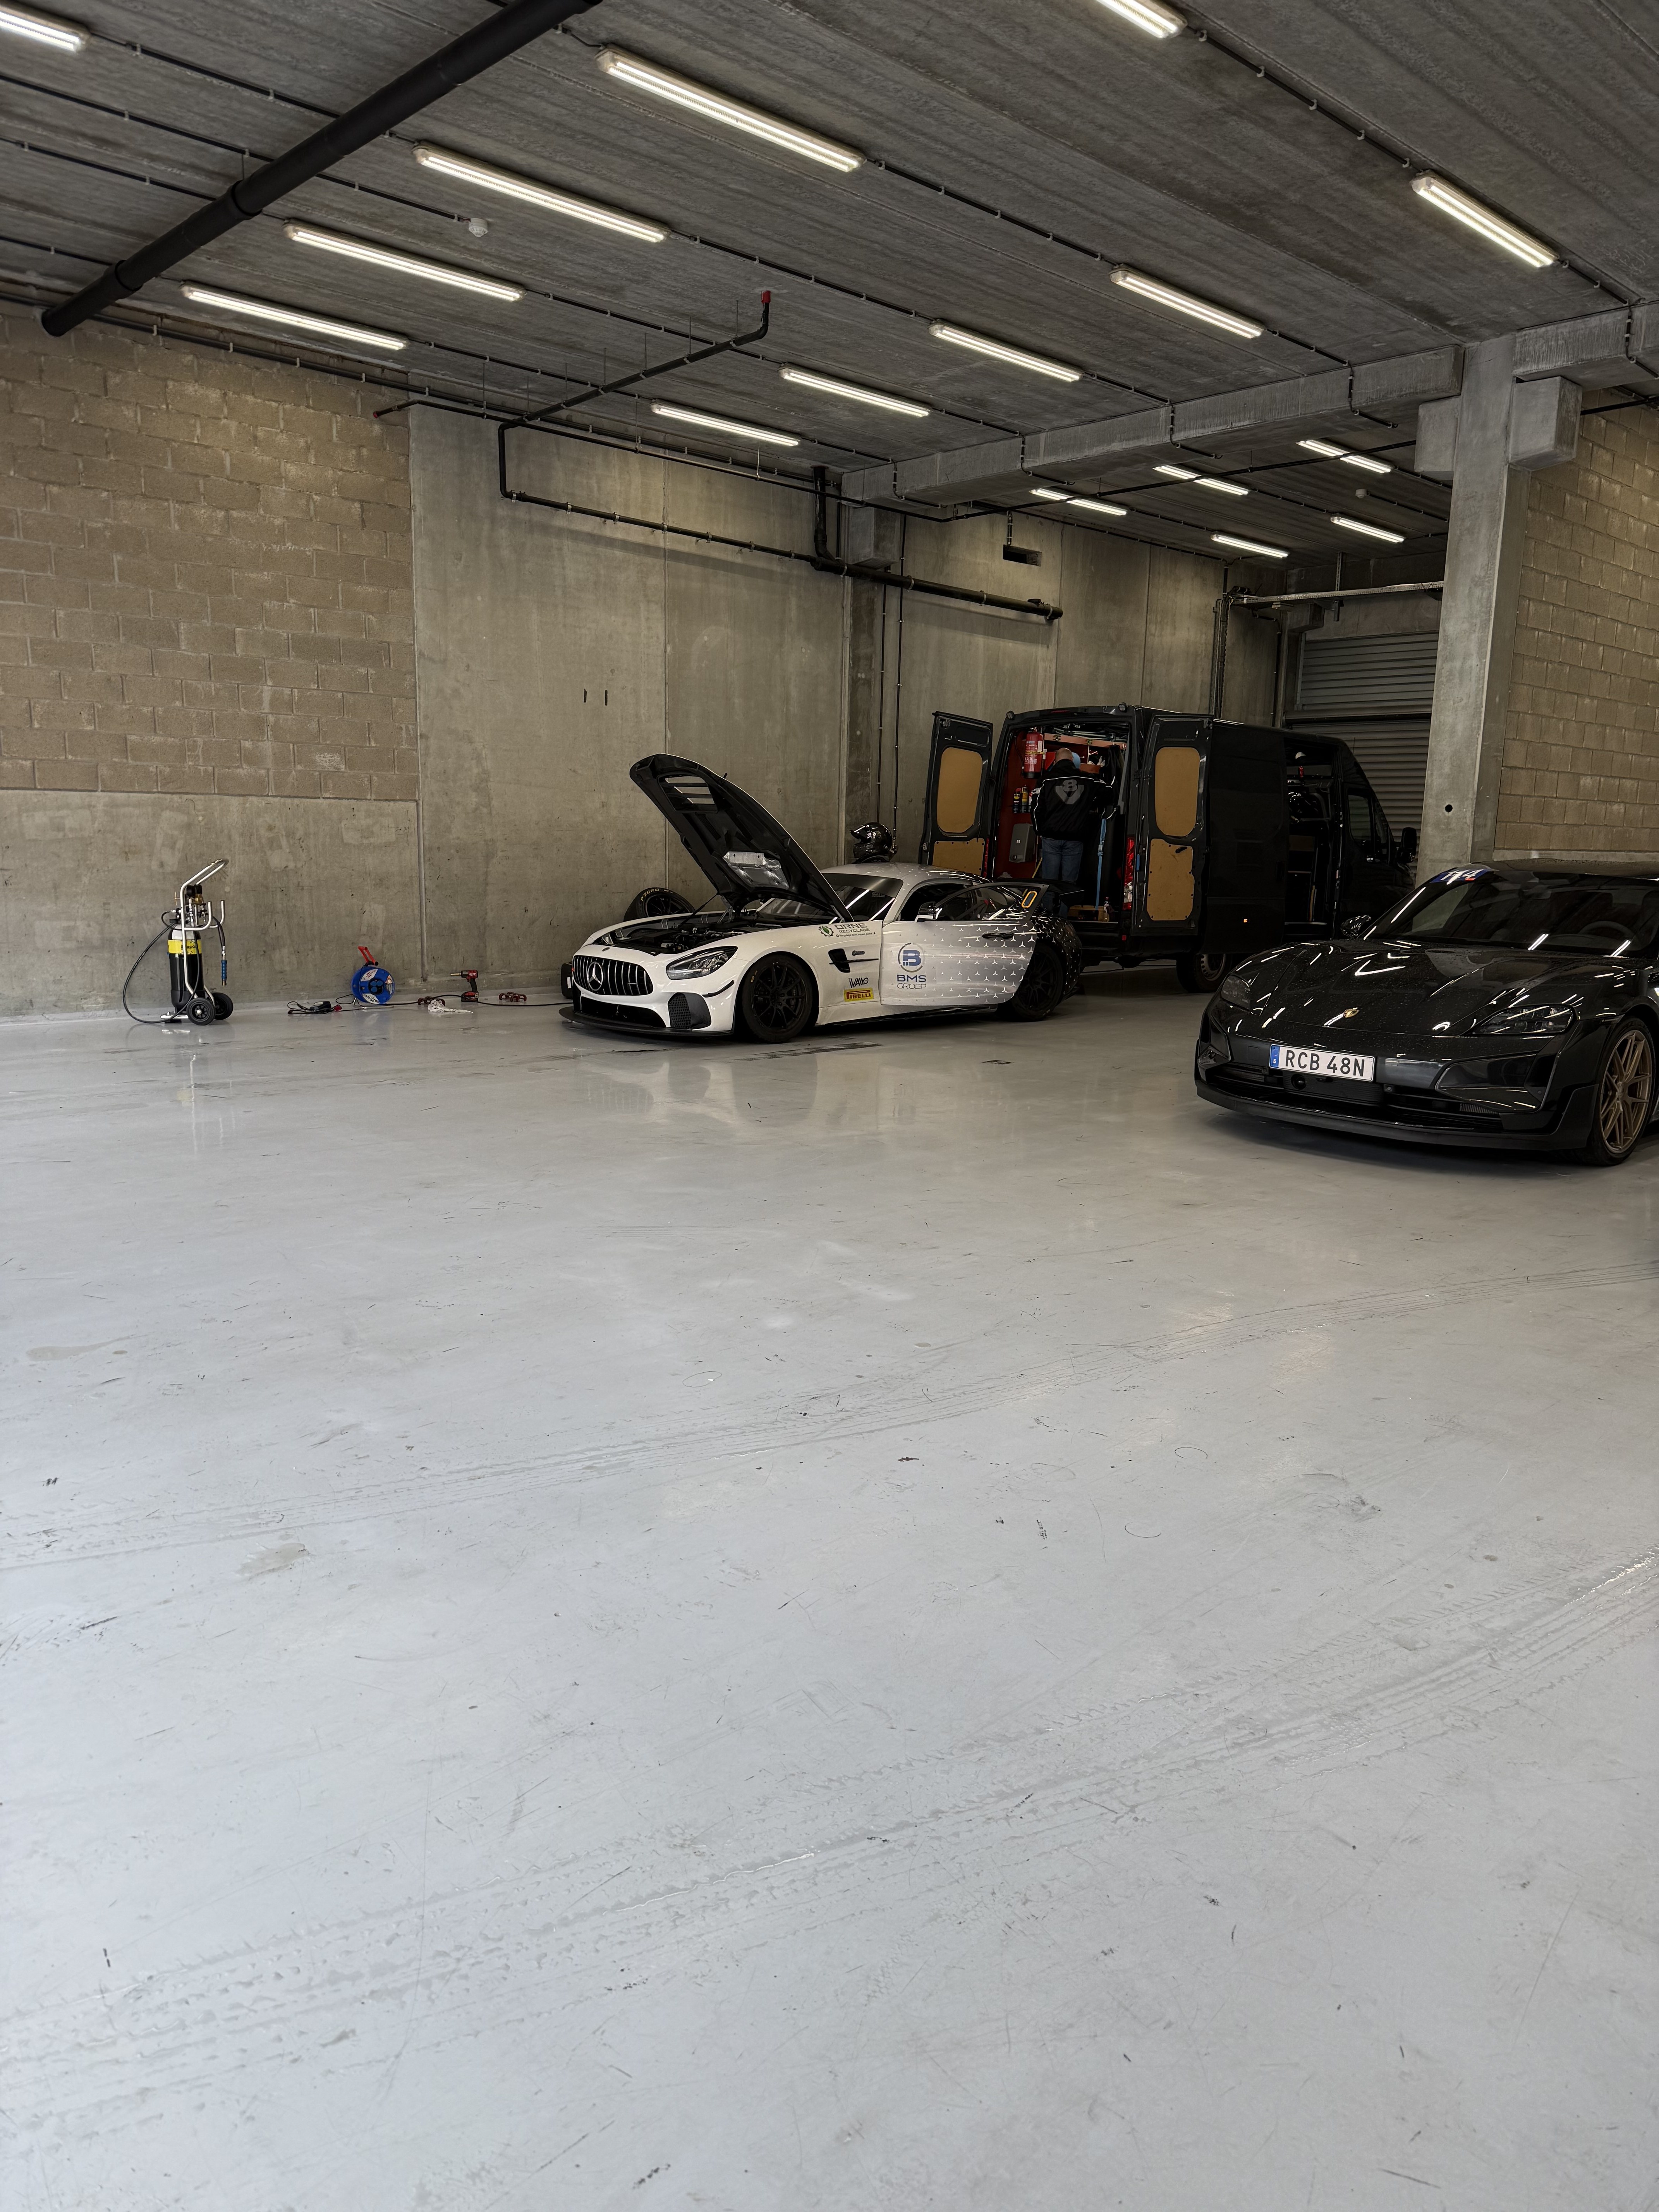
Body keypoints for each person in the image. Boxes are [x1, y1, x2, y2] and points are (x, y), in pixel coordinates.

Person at [1034, 750, 1111, 887]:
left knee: (1048, 883)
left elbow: (1036, 808)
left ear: (1055, 762)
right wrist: (1091, 803)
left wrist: (1039, 831)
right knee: (1069, 884)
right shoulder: (1088, 779)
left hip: (1051, 837)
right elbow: (1109, 792)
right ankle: (1066, 902)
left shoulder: (1046, 780)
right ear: (1072, 760)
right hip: (1075, 837)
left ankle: (1049, 902)